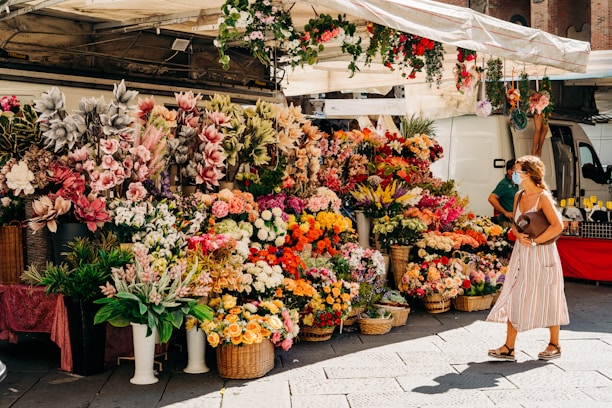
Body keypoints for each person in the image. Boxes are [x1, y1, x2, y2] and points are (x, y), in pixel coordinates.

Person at [486, 155, 569, 361]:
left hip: (542, 253)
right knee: (515, 294)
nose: (514, 173)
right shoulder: (518, 195)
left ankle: (554, 344)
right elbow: (515, 222)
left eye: (518, 170)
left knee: (550, 294)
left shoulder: (543, 197)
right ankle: (509, 347)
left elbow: (558, 226)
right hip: (521, 254)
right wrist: (517, 233)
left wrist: (534, 241)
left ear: (529, 174)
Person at [488, 159, 519, 228]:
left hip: (513, 220)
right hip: (506, 222)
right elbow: (491, 198)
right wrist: (505, 212)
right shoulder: (504, 184)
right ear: (510, 172)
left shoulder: (514, 183)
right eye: (517, 170)